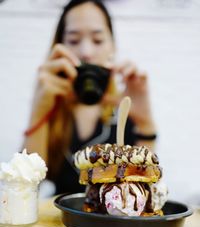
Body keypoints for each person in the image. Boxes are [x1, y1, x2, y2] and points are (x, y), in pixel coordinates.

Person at [23, 0, 157, 195]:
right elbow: (27, 187)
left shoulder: (123, 110)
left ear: (112, 46)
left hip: (112, 220)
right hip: (59, 221)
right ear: (59, 47)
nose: (86, 52)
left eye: (98, 40)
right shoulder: (52, 106)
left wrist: (145, 123)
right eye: (74, 40)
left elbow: (145, 188)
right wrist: (39, 111)